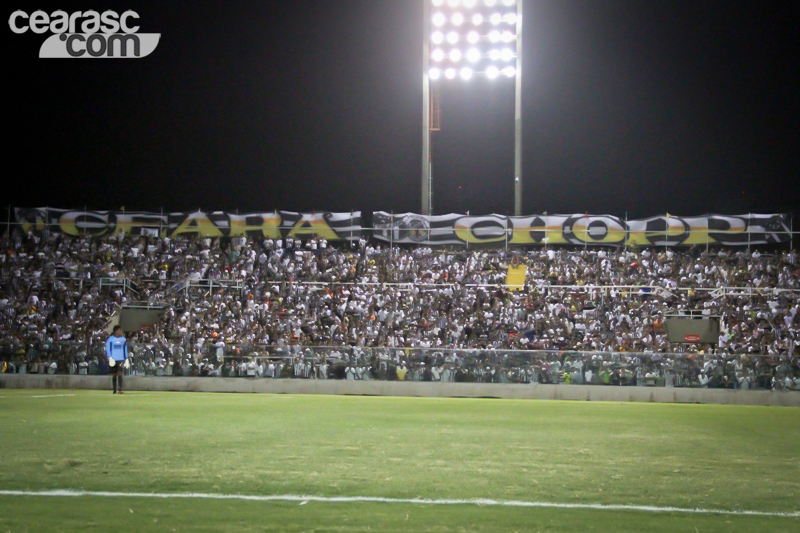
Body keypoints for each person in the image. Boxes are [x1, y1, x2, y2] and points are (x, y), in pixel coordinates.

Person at [106, 325, 128, 394]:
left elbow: (125, 349)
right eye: (119, 330)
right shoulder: (111, 339)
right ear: (116, 331)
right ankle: (114, 390)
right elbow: (108, 348)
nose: (121, 332)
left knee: (120, 372)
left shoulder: (123, 339)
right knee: (114, 374)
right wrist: (109, 357)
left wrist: (126, 358)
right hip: (113, 359)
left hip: (120, 359)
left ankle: (120, 388)